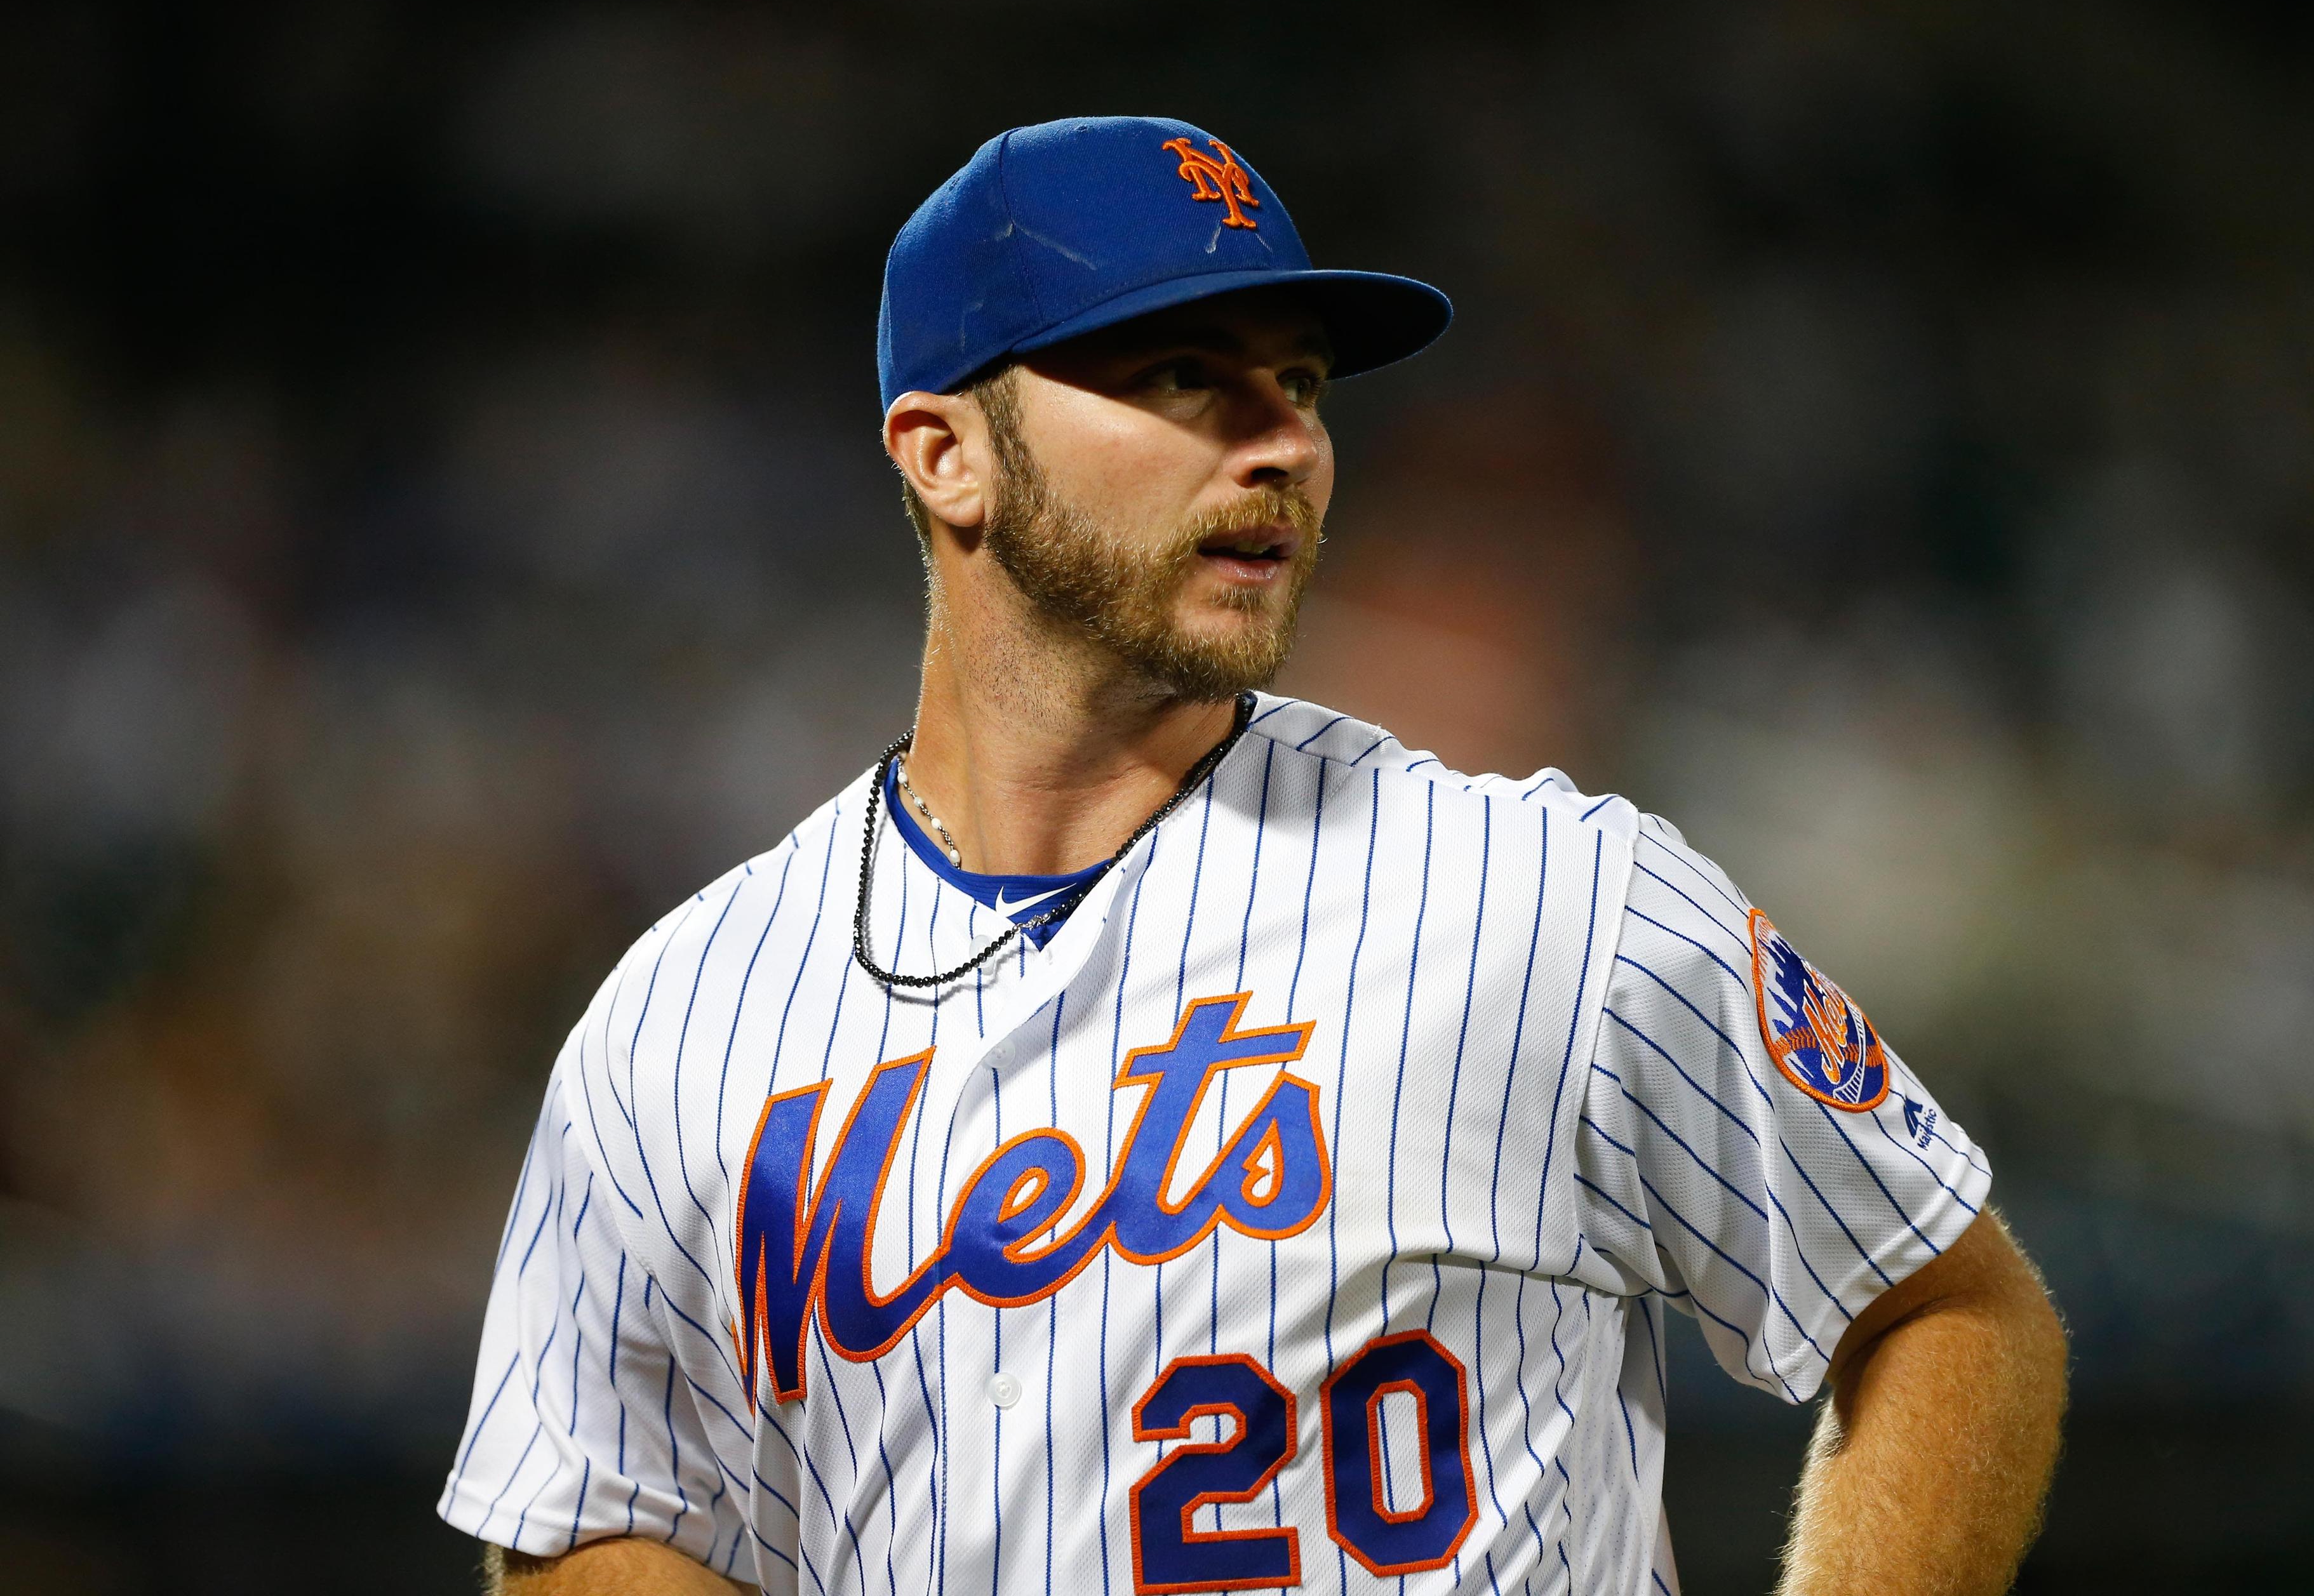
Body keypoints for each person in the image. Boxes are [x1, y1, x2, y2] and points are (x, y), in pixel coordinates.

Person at [439, 116, 2066, 1596]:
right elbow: (587, 1511)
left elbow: (1948, 1309)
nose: (1279, 439)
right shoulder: (675, 1025)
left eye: (1299, 381)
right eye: (1181, 378)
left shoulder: (1552, 901)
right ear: (949, 454)